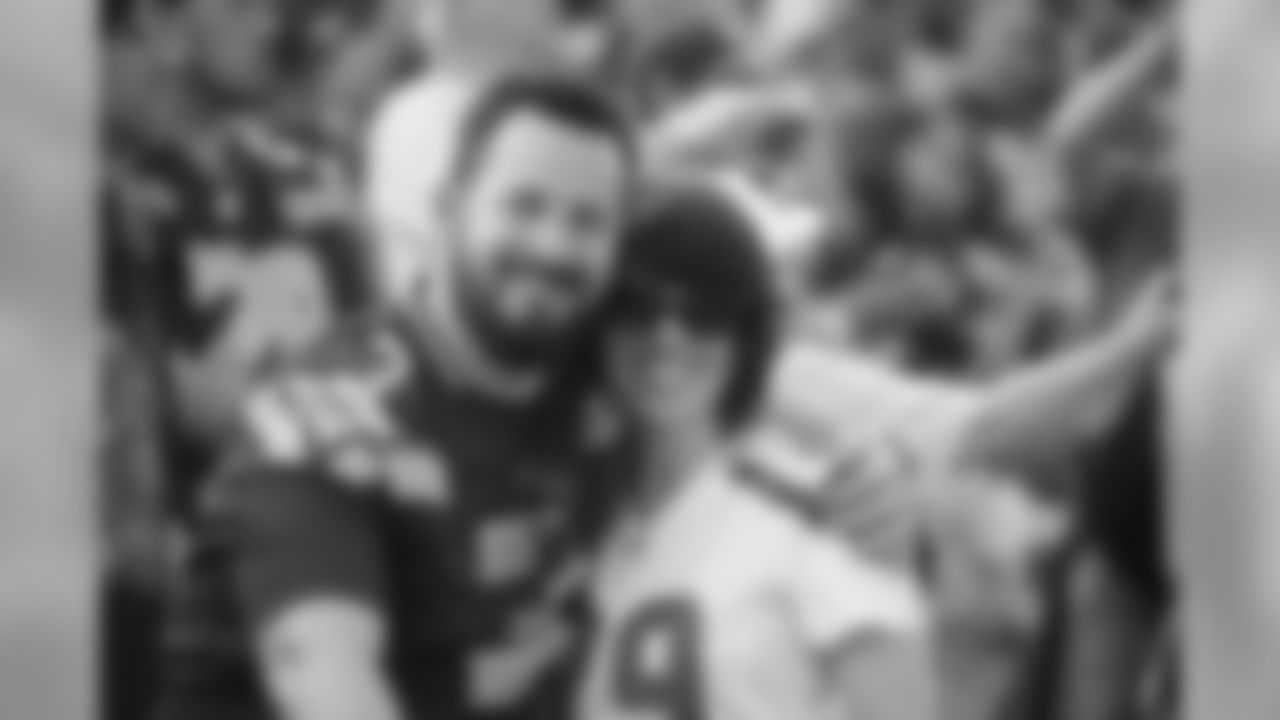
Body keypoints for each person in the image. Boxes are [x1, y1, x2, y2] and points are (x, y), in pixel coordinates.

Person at [155, 76, 637, 720]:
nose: (553, 247)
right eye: (524, 207)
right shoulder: (329, 413)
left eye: (588, 222)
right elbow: (323, 680)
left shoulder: (608, 385)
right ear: (447, 206)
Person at [576, 188, 935, 720]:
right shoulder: (573, 515)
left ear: (745, 334)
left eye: (706, 313)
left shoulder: (828, 514)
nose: (668, 335)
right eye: (636, 306)